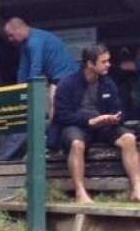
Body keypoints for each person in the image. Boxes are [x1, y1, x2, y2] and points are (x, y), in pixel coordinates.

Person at [53, 44, 140, 204]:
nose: (108, 64)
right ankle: (80, 193)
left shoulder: (108, 83)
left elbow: (119, 108)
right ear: (90, 64)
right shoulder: (68, 84)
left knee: (129, 138)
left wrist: (115, 117)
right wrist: (88, 121)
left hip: (103, 126)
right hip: (77, 125)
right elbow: (62, 115)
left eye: (108, 61)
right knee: (77, 143)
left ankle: (137, 189)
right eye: (103, 61)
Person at [0, 18, 80, 161]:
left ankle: (53, 145)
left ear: (19, 29)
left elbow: (35, 68)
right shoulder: (25, 44)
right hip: (56, 78)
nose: (10, 39)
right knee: (50, 112)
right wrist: (18, 92)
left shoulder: (35, 41)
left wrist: (30, 92)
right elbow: (23, 69)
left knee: (55, 111)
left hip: (67, 77)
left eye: (11, 35)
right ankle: (50, 144)